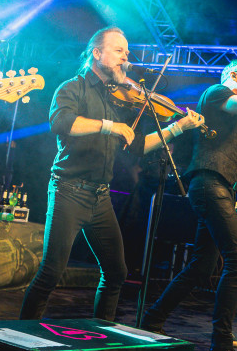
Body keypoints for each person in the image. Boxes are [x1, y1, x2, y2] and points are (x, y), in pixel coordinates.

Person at [19, 26, 204, 321]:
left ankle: (100, 334)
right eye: (119, 51)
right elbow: (61, 123)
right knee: (51, 273)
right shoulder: (72, 87)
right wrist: (109, 125)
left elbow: (138, 146)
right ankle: (23, 334)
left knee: (116, 272)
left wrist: (177, 127)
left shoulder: (118, 97)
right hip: (69, 190)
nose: (125, 58)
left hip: (100, 197)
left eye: (127, 52)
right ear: (97, 53)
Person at [140, 60, 237, 351]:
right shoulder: (217, 93)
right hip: (209, 186)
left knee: (202, 265)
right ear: (235, 76)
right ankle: (220, 347)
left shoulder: (231, 118)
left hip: (219, 187)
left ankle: (152, 319)